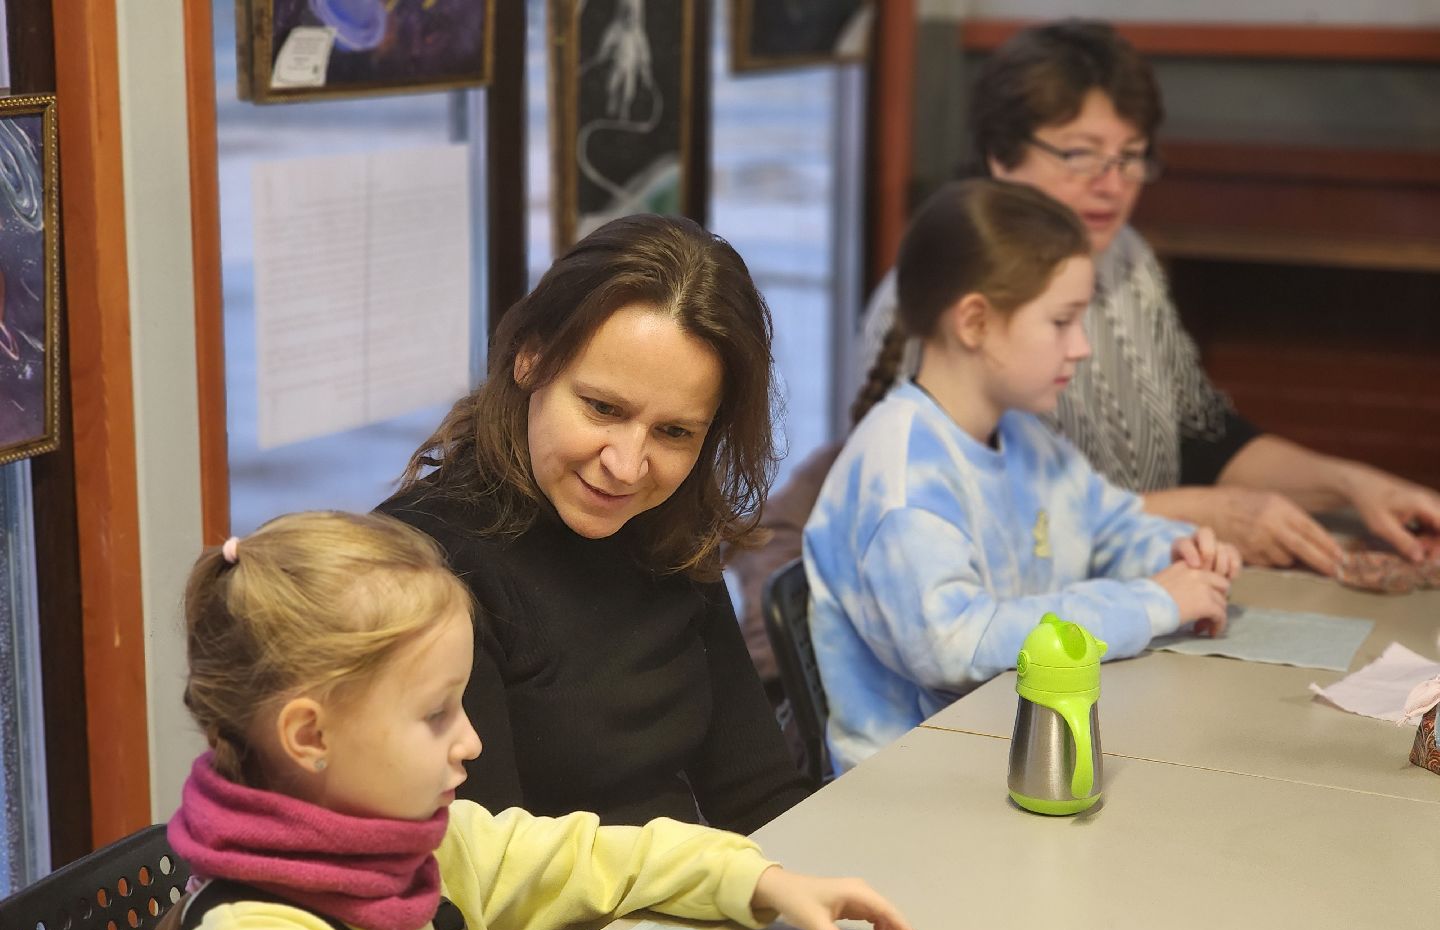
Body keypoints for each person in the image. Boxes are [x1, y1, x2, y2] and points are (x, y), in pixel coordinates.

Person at [125, 512, 922, 930]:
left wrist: (760, 880)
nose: (470, 740)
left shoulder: (423, 843)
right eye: (436, 715)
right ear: (309, 737)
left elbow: (586, 857)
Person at [854, 18, 1440, 575]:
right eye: (1079, 155)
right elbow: (977, 525)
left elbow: (1205, 438)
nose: (1111, 185)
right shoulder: (946, 296)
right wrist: (1200, 511)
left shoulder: (1127, 255)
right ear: (1001, 155)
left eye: (1130, 157)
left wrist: (1354, 485)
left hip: (1143, 579)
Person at [380, 214, 811, 835]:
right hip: (558, 926)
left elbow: (757, 790)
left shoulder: (666, 526)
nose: (628, 467)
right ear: (530, 360)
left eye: (674, 432)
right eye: (603, 409)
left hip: (678, 904)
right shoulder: (425, 567)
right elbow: (492, 881)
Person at [805, 179, 1242, 773]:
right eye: (1061, 321)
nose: (1082, 347)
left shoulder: (1027, 437)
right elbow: (956, 644)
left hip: (1014, 747)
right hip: (918, 784)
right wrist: (1153, 602)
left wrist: (1183, 555)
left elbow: (1109, 524)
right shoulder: (903, 480)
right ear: (975, 322)